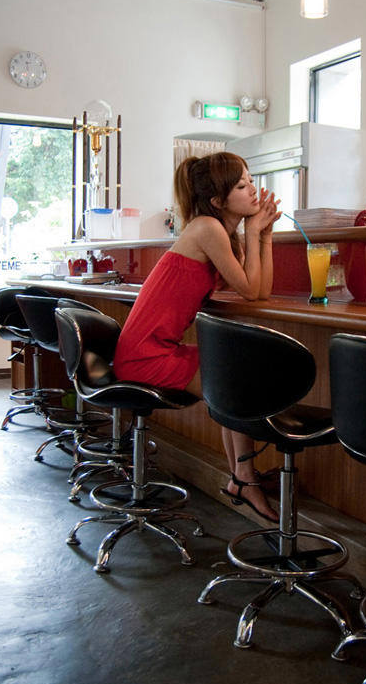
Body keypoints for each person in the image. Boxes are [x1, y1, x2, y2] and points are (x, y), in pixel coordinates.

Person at [112, 151, 281, 521]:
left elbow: (260, 290)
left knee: (233, 375)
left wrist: (263, 236)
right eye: (242, 185)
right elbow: (252, 293)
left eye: (251, 180)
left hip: (156, 349)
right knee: (234, 382)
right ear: (219, 201)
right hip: (146, 356)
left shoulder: (220, 231)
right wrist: (253, 231)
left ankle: (241, 475)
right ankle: (243, 477)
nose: (254, 189)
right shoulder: (207, 227)